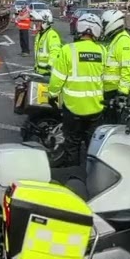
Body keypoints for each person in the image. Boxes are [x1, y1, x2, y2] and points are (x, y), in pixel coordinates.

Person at [47, 13, 110, 167]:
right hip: (96, 107)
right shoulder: (102, 51)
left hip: (73, 108)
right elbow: (107, 78)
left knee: (72, 143)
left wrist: (52, 95)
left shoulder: (68, 50)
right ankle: (93, 172)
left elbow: (57, 79)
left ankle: (73, 173)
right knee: (92, 144)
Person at [100, 9, 130, 121]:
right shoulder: (116, 40)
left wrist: (122, 94)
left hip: (120, 95)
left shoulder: (124, 42)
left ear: (112, 23)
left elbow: (128, 70)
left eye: (104, 24)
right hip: (112, 93)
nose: (103, 28)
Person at [30, 10, 61, 76]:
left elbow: (55, 52)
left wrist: (50, 65)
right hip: (40, 72)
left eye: (39, 22)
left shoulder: (52, 35)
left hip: (48, 73)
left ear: (45, 23)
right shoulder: (39, 35)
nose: (36, 24)